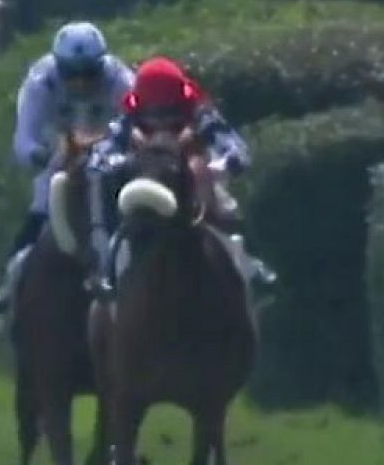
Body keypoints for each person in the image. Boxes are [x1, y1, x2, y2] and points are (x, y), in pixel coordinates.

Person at [87, 56, 277, 301]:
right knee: (115, 230)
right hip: (145, 190)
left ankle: (252, 264)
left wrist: (219, 166)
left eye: (169, 112)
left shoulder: (201, 115)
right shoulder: (127, 123)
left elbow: (238, 149)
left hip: (193, 189)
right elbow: (98, 161)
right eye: (154, 113)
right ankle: (107, 273)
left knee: (227, 209)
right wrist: (128, 164)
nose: (162, 121)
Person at [0, 21, 135, 317]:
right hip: (59, 173)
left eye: (88, 73)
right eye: (70, 74)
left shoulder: (121, 80)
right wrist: (48, 157)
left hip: (111, 174)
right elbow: (24, 141)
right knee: (28, 242)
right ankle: (9, 288)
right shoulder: (40, 82)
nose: (79, 83)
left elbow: (138, 122)